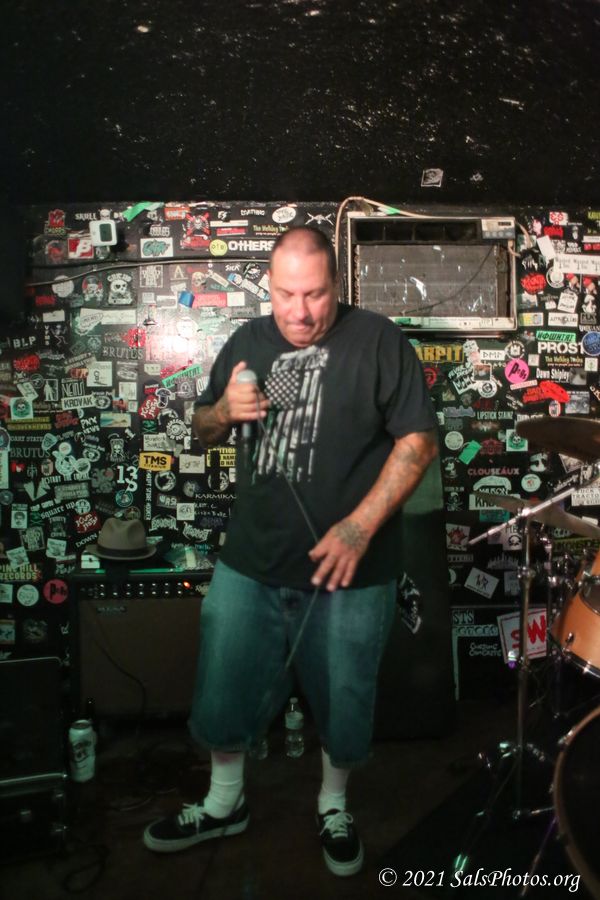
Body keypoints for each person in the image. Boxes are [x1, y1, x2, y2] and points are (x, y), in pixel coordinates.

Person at [143, 226, 439, 876]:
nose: (299, 312)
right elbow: (201, 427)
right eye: (285, 294)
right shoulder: (246, 341)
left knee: (345, 694)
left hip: (353, 567)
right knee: (224, 681)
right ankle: (224, 802)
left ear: (338, 284)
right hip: (252, 561)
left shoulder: (379, 340)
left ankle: (334, 806)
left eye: (315, 294)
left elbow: (418, 441)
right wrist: (225, 410)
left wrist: (360, 526)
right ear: (269, 287)